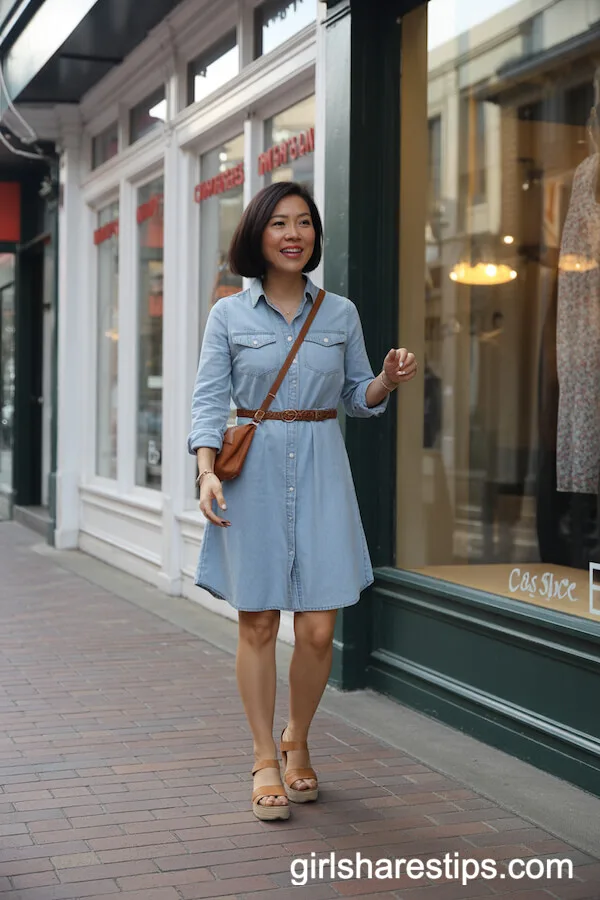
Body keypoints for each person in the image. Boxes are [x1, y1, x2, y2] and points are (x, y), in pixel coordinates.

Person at [187, 181, 417, 821]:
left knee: (318, 629)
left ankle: (299, 736)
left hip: (321, 467)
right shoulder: (228, 315)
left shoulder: (339, 313)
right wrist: (206, 470)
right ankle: (265, 756)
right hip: (251, 474)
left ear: (315, 235)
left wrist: (384, 383)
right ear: (258, 235)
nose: (294, 234)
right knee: (258, 620)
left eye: (305, 223)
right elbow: (209, 401)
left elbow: (355, 398)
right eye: (280, 223)